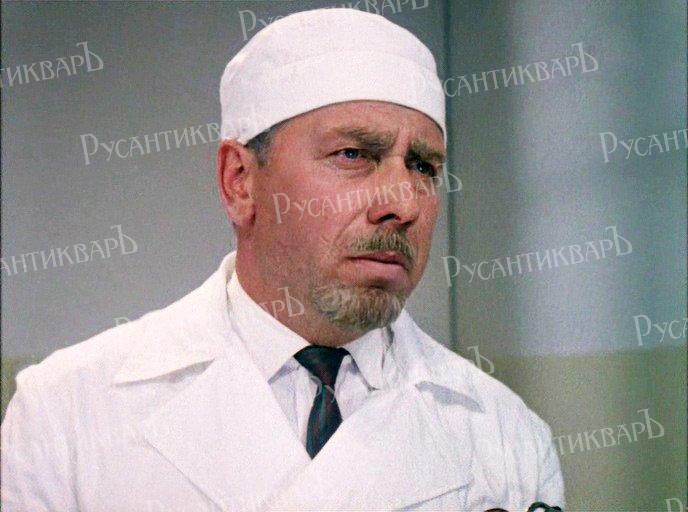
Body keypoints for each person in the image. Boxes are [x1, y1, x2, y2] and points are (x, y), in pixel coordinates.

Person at [1, 7, 565, 511]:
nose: (404, 203)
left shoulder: (509, 436)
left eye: (423, 166)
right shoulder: (66, 415)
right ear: (240, 181)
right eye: (354, 154)